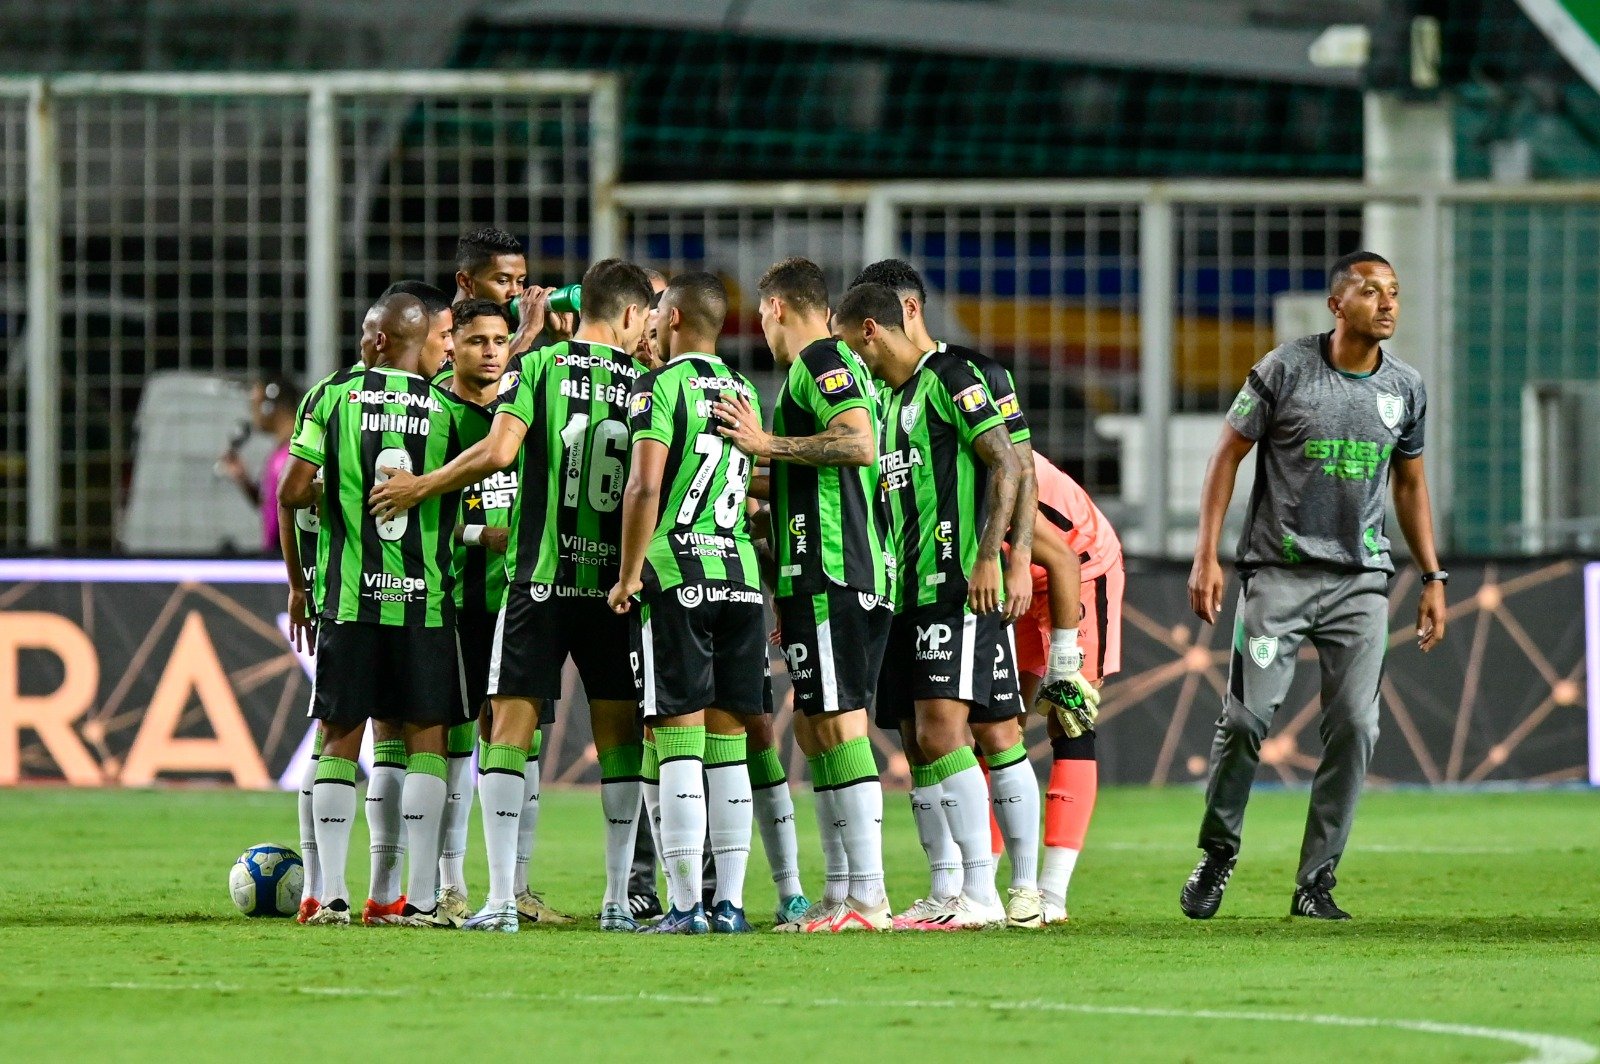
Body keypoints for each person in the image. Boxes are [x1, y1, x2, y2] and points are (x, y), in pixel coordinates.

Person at [370, 260, 656, 932]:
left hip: (540, 582)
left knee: (508, 731)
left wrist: (422, 485)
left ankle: (500, 899)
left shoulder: (539, 369)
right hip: (612, 586)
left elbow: (500, 453)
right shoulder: (647, 386)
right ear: (628, 315)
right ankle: (618, 901)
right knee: (620, 741)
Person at [1181, 251, 1447, 921]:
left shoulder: (1406, 388)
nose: (1387, 302)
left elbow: (1410, 485)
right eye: (1370, 291)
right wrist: (1206, 555)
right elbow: (1226, 455)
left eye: (1393, 291)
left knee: (1356, 726)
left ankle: (1316, 882)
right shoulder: (1285, 370)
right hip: (1278, 576)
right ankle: (1218, 851)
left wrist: (1432, 575)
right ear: (1336, 305)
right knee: (1246, 720)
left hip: (1361, 585)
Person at [846, 259, 1042, 926]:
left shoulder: (960, 376)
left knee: (969, 729)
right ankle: (948, 887)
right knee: (918, 737)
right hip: (899, 591)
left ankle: (999, 890)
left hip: (955, 583)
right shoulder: (883, 398)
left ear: (879, 325)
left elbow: (1012, 465)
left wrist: (1001, 558)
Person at [278, 292, 474, 928]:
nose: (362, 341)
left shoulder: (331, 396)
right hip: (426, 602)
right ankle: (420, 900)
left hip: (349, 598)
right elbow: (480, 476)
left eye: (367, 332)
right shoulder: (449, 411)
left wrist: (301, 582)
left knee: (339, 736)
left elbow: (291, 492)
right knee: (426, 740)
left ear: (382, 340)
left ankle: (331, 894)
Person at [714, 257, 892, 933]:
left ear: (777, 308)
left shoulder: (822, 361)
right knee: (819, 731)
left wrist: (766, 443)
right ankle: (841, 894)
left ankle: (869, 897)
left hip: (833, 571)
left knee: (840, 725)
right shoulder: (821, 370)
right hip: (818, 573)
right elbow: (808, 473)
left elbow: (858, 445)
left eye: (761, 314)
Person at [607, 271, 765, 936]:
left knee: (676, 742)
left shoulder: (658, 387)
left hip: (678, 576)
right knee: (728, 748)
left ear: (672, 319)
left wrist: (628, 574)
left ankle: (682, 906)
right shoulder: (744, 390)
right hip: (741, 579)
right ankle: (728, 904)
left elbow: (644, 487)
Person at [1011, 451, 1124, 923]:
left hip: (1080, 563)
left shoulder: (987, 453)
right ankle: (980, 889)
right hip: (1008, 569)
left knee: (1070, 716)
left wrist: (1062, 660)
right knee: (995, 722)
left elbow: (1060, 557)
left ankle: (1051, 894)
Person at [454, 226, 574, 357]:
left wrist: (561, 339)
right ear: (465, 282)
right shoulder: (443, 335)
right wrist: (527, 331)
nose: (515, 292)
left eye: (520, 281)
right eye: (502, 281)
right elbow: (494, 370)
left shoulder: (511, 339)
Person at [220, 375, 303, 554]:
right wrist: (245, 481)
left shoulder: (286, 459)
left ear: (269, 407)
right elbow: (274, 507)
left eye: (255, 404)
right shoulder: (288, 452)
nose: (252, 411)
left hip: (284, 561)